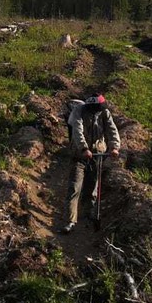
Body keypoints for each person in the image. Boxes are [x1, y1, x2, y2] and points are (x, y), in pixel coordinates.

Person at [63, 94, 121, 234]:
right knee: (75, 187)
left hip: (97, 155)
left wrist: (114, 147)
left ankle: (89, 213)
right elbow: (77, 130)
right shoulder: (79, 111)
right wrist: (83, 148)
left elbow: (112, 130)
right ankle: (71, 220)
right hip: (79, 155)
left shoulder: (104, 113)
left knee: (92, 187)